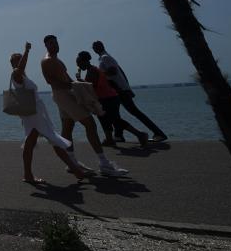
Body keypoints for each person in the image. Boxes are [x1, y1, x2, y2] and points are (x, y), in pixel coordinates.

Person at [41, 35, 128, 177]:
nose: (54, 45)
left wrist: (77, 85)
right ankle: (104, 163)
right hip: (62, 95)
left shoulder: (57, 59)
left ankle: (72, 162)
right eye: (51, 43)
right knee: (90, 124)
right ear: (46, 46)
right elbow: (50, 81)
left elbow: (66, 77)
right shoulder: (47, 61)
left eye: (56, 42)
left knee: (68, 127)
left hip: (64, 94)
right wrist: (72, 86)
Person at [9, 41, 87, 183]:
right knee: (51, 138)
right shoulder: (16, 74)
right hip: (32, 114)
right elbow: (20, 69)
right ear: (14, 64)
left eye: (21, 59)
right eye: (18, 60)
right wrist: (26, 51)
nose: (21, 61)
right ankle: (74, 168)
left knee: (33, 142)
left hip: (35, 113)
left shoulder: (24, 77)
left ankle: (29, 174)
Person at [93, 41, 167, 142]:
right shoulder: (104, 57)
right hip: (117, 90)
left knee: (134, 112)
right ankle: (118, 136)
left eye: (96, 46)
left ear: (101, 46)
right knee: (116, 114)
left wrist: (99, 74)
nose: (95, 48)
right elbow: (120, 71)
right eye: (94, 47)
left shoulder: (105, 57)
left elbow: (114, 71)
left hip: (120, 90)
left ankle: (159, 133)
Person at [76, 51, 148, 148]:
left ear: (85, 61)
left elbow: (91, 86)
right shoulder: (93, 70)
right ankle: (109, 139)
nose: (79, 66)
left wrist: (80, 81)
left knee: (115, 120)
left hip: (108, 98)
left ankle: (140, 134)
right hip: (107, 98)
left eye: (79, 63)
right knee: (104, 118)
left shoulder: (92, 71)